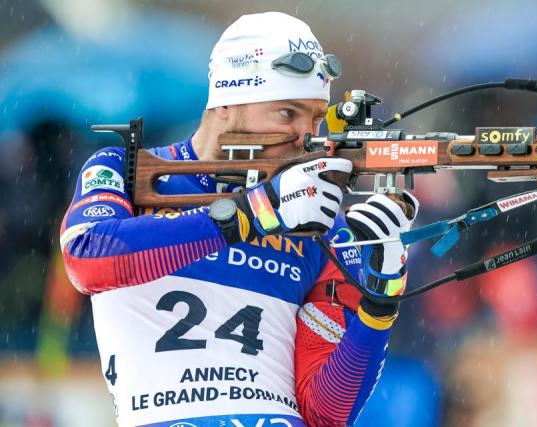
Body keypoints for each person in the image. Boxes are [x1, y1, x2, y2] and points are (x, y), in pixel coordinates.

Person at [59, 12, 417, 427]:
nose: (307, 137)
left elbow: (325, 412)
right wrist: (253, 214)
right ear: (226, 102)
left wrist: (382, 294)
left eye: (316, 119)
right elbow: (87, 258)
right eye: (287, 113)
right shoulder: (125, 170)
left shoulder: (317, 222)